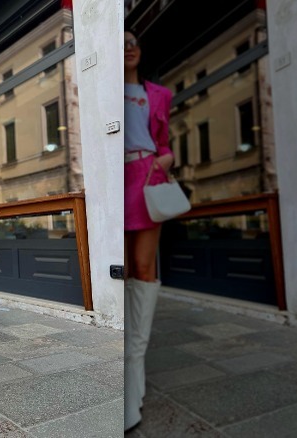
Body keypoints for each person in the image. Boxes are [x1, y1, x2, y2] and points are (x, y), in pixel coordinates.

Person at [123, 30, 174, 431]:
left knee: (143, 269)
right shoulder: (109, 88)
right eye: (121, 41)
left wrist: (165, 160)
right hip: (117, 175)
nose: (128, 46)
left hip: (146, 175)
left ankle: (135, 367)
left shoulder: (157, 94)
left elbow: (164, 142)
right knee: (122, 272)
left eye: (134, 41)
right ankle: (123, 364)